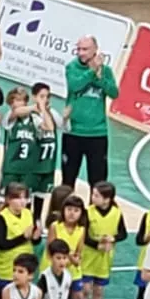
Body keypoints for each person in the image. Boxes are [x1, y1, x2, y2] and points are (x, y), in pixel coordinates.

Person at [62, 36, 119, 188]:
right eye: (79, 49)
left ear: (95, 50)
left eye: (85, 49)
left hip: (97, 133)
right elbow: (74, 86)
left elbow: (114, 93)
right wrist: (92, 71)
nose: (81, 53)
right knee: (68, 180)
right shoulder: (71, 67)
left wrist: (100, 79)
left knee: (98, 183)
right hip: (73, 131)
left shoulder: (106, 71)